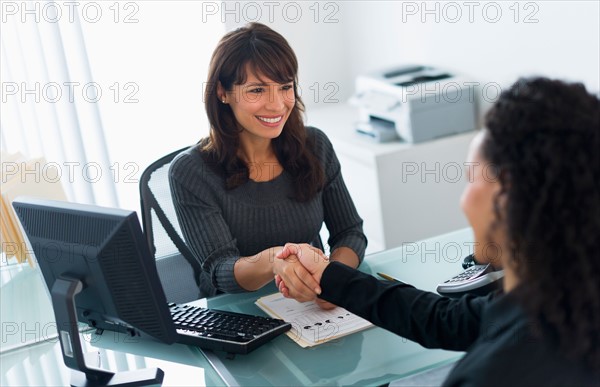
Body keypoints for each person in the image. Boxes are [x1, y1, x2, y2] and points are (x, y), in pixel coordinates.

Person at [277, 77, 600, 385]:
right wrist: (328, 274)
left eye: (471, 179)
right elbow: (446, 319)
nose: (463, 199)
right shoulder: (563, 297)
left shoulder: (492, 374)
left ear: (505, 196)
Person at [169, 22, 367, 303]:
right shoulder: (190, 172)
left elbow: (350, 233)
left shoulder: (315, 146)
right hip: (237, 316)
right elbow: (220, 269)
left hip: (309, 305)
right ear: (222, 93)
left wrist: (333, 279)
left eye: (285, 87)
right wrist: (275, 261)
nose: (277, 105)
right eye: (257, 90)